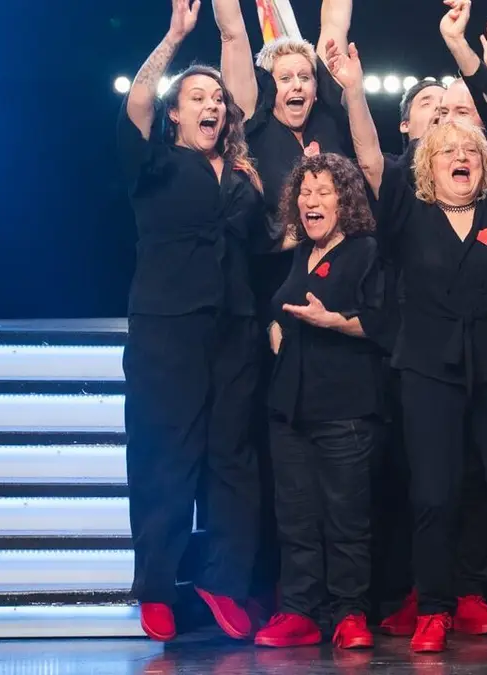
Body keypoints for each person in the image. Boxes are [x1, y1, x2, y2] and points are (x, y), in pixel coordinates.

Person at [325, 3, 487, 652]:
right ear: (428, 165)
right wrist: (351, 92)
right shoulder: (407, 207)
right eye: (447, 148)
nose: (460, 153)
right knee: (433, 493)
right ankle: (433, 606)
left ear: (484, 163)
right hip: (428, 365)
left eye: (470, 149)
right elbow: (372, 161)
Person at [118, 0, 265, 643]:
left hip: (234, 326)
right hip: (167, 327)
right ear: (179, 113)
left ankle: (222, 579)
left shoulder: (241, 174)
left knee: (232, 457)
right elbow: (139, 102)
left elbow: (266, 245)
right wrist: (176, 36)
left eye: (218, 97)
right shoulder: (153, 165)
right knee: (166, 458)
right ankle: (156, 586)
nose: (212, 103)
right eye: (197, 96)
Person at [253, 153, 385, 649]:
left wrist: (335, 322)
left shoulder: (366, 251)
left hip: (345, 409)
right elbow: (279, 308)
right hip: (289, 409)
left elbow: (386, 322)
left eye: (324, 191)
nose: (312, 200)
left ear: (345, 199)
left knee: (346, 519)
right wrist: (273, 326)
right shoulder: (296, 254)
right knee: (296, 518)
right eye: (305, 192)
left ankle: (350, 613)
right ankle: (300, 612)